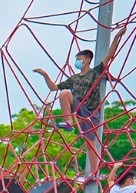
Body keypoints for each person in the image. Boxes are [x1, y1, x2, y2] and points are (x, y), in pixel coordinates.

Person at [33, 25, 127, 174]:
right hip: (78, 108)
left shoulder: (95, 72)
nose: (77, 62)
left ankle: (94, 172)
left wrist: (117, 37)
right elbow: (53, 88)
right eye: (76, 59)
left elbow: (110, 54)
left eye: (79, 59)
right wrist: (45, 75)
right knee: (64, 93)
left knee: (90, 143)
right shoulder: (74, 78)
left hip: (91, 111)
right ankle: (68, 122)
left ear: (87, 60)